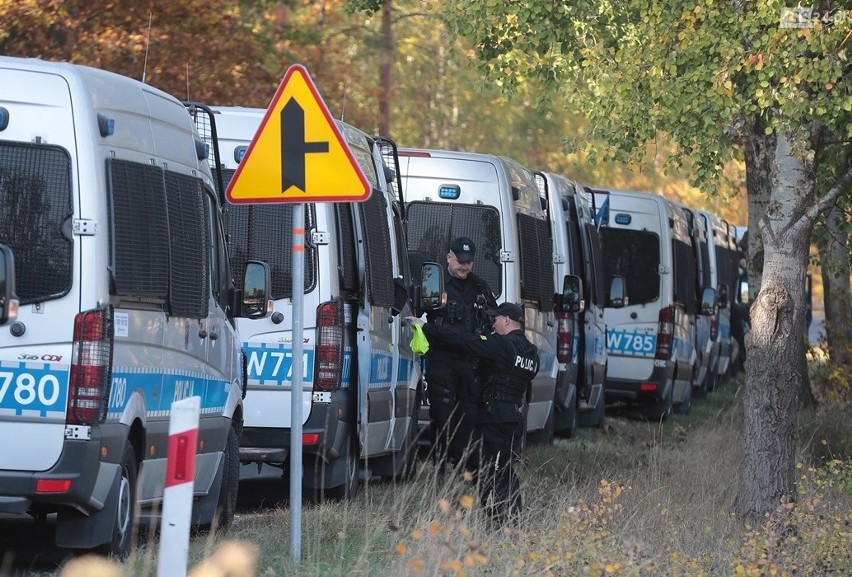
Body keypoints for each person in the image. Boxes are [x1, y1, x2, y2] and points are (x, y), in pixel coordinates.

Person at [409, 302, 538, 525]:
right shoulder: (530, 353)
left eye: (495, 319)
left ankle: (501, 522)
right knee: (504, 469)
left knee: (491, 470)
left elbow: (465, 342)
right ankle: (512, 518)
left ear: (506, 320)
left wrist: (427, 328)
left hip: (495, 417)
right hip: (512, 417)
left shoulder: (503, 346)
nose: (493, 324)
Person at [423, 237, 497, 472]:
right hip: (442, 363)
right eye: (460, 261)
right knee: (442, 418)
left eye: (468, 262)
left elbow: (492, 318)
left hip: (470, 365)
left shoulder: (480, 287)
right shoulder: (435, 284)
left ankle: (462, 466)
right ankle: (440, 466)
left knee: (468, 418)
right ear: (449, 257)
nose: (464, 266)